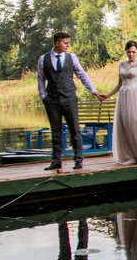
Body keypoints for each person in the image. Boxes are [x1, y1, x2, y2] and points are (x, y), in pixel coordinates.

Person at [37, 31, 104, 171]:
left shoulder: (71, 58)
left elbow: (82, 74)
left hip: (69, 98)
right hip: (52, 99)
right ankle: (56, 161)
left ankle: (78, 160)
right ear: (57, 43)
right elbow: (40, 79)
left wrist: (93, 90)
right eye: (65, 43)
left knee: (75, 129)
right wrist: (43, 97)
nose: (68, 45)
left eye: (68, 43)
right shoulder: (43, 59)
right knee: (55, 131)